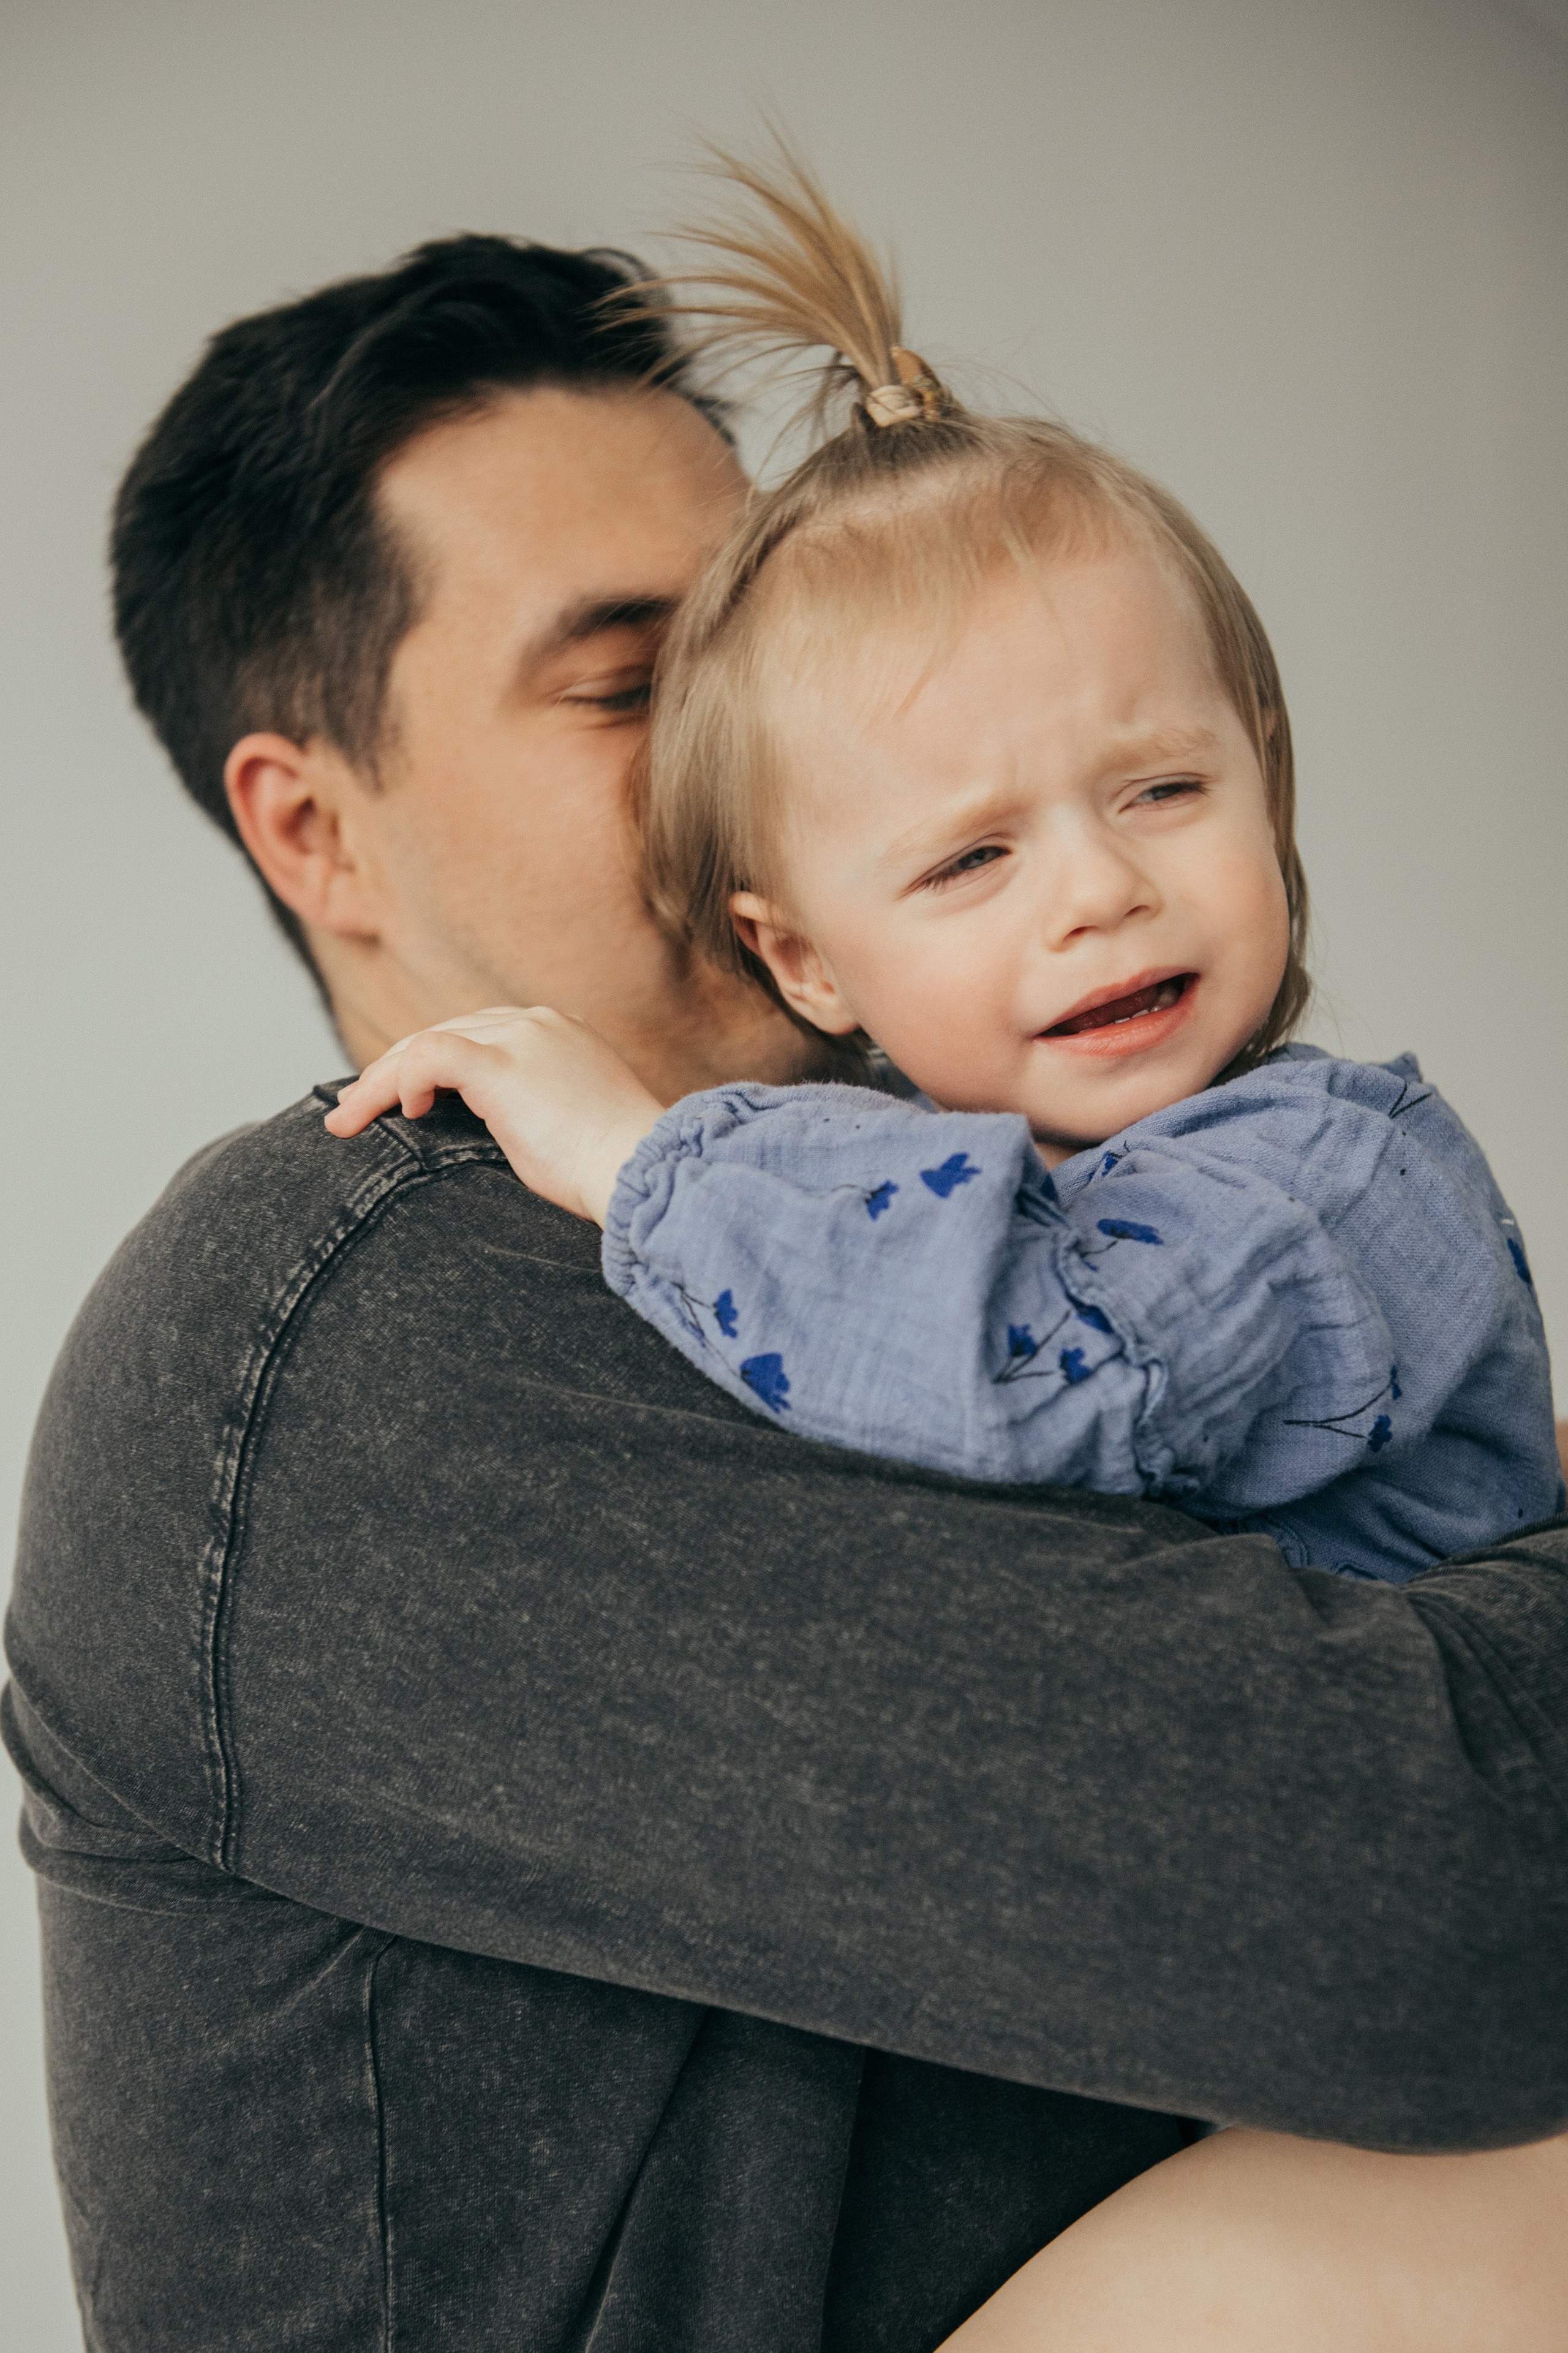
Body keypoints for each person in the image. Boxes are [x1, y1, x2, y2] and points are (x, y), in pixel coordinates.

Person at [3, 219, 1566, 2353]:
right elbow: (1448, 1899)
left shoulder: (988, 1197)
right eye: (648, 684)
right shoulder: (351, 1313)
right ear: (317, 833)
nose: (810, 748)